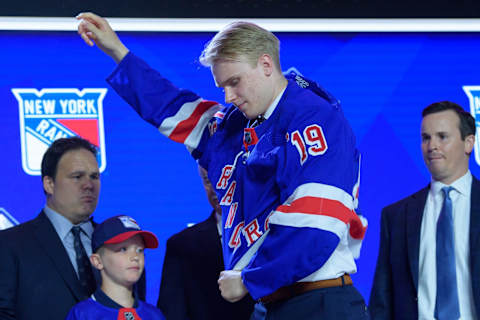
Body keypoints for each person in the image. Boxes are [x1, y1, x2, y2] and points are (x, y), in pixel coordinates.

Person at [77, 12, 369, 319]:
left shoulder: (315, 120)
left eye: (234, 82)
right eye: (222, 86)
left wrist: (248, 279)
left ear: (266, 65)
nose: (228, 96)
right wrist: (117, 51)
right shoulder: (235, 125)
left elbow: (315, 225)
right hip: (272, 304)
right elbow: (172, 106)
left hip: (319, 302)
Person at [369, 101, 480, 319]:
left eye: (442, 136)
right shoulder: (396, 216)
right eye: (426, 138)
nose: (432, 146)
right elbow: (382, 299)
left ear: (469, 143)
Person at [0, 137, 101, 320]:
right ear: (49, 184)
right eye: (77, 177)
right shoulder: (8, 245)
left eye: (94, 176)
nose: (89, 185)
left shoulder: (120, 243)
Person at [157, 165, 254, 319]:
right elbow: (173, 312)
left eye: (222, 178)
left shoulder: (275, 233)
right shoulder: (181, 246)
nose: (215, 187)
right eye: (208, 181)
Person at [65, 215, 164, 319]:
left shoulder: (154, 315)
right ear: (97, 261)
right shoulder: (83, 314)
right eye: (123, 249)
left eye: (139, 250)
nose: (135, 257)